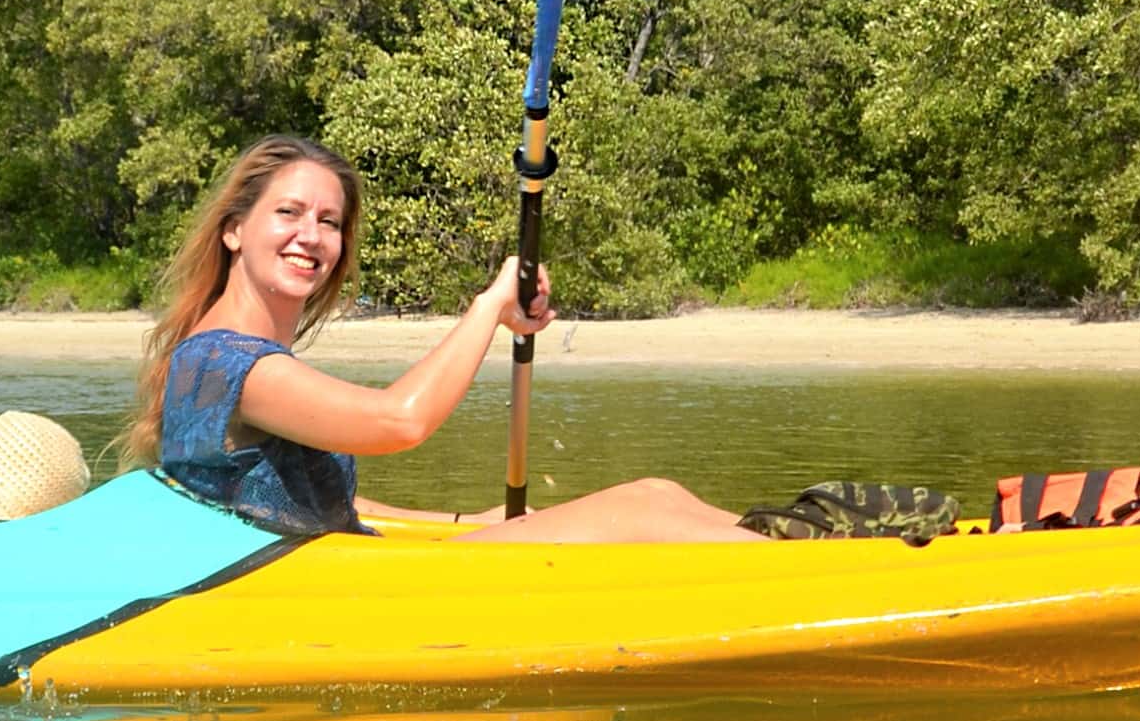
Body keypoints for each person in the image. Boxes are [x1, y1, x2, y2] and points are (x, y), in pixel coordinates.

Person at [122, 134, 761, 544]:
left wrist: (461, 522)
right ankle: (805, 578)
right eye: (288, 212)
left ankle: (798, 552)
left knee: (658, 494)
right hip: (338, 598)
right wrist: (490, 307)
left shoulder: (216, 353)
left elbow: (312, 499)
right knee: (641, 512)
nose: (310, 236)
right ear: (234, 229)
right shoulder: (225, 360)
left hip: (342, 574)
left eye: (329, 221)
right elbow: (400, 421)